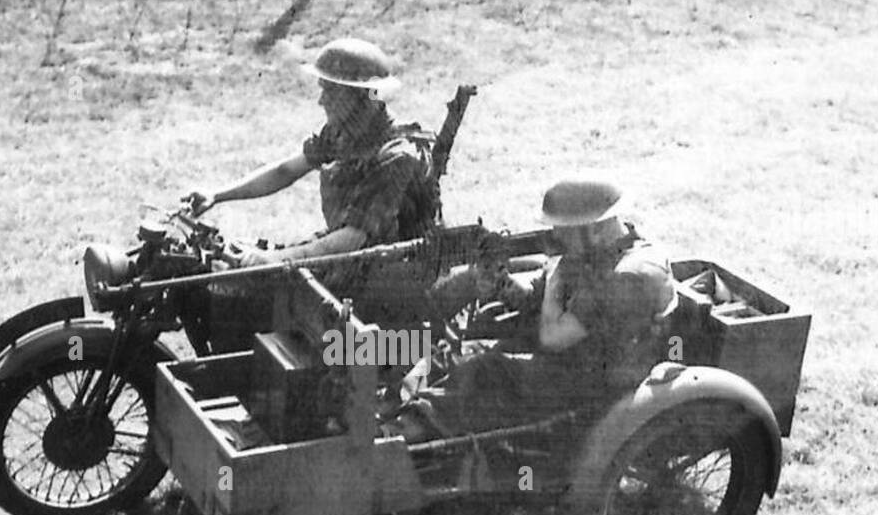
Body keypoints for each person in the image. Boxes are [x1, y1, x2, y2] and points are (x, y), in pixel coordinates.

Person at [181, 37, 440, 338]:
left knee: (268, 300)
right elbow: (285, 170)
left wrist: (279, 260)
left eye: (331, 91)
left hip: (384, 284)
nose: (322, 101)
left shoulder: (396, 156)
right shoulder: (344, 133)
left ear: (364, 95)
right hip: (351, 263)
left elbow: (353, 238)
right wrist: (218, 195)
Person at [394, 179, 676, 439]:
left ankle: (407, 430)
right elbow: (536, 300)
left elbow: (552, 339)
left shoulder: (626, 277)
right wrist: (502, 284)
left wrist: (555, 277)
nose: (555, 235)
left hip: (591, 384)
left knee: (484, 368)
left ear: (595, 227)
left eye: (562, 228)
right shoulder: (595, 253)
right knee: (461, 351)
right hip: (575, 358)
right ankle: (396, 401)